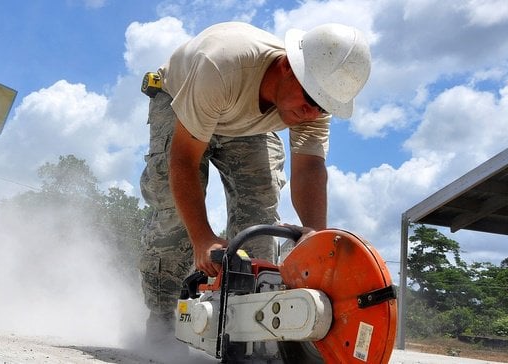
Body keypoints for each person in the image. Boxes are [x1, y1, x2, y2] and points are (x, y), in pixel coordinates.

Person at [137, 22, 372, 343]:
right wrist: (203, 238)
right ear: (289, 66)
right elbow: (184, 161)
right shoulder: (221, 65)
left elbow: (310, 168)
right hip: (182, 98)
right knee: (176, 216)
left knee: (260, 215)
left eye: (322, 107)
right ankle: (163, 322)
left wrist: (314, 238)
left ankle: (245, 329)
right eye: (309, 100)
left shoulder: (314, 101)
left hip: (243, 121)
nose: (312, 113)